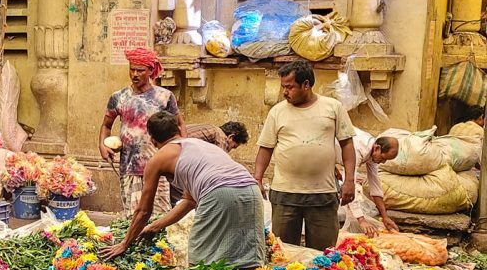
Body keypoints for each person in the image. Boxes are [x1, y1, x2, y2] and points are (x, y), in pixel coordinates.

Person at [102, 112, 266, 269]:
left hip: (218, 193)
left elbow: (143, 211)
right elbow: (189, 201)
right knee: (245, 259)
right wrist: (155, 226)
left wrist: (124, 244)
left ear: (152, 140)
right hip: (252, 191)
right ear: (179, 130)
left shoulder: (158, 159)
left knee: (200, 260)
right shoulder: (202, 145)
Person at [253, 60, 356, 251]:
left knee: (323, 255)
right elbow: (265, 148)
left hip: (322, 194)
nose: (285, 92)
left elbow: (347, 144)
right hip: (285, 193)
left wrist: (350, 180)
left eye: (290, 87)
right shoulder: (277, 112)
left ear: (306, 84)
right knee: (283, 252)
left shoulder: (333, 108)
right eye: (283, 87)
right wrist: (257, 178)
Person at [99, 47, 184, 217]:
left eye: (140, 70)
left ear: (151, 71)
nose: (135, 74)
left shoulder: (164, 96)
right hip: (129, 167)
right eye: (132, 69)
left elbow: (180, 125)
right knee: (133, 217)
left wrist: (182, 150)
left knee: (159, 216)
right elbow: (106, 125)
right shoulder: (119, 97)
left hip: (159, 167)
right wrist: (102, 145)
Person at [170, 121, 249, 205]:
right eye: (233, 147)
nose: (230, 150)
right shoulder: (220, 136)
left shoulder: (208, 128)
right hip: (175, 157)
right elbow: (220, 165)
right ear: (231, 137)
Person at [338, 131, 400, 236]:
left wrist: (385, 216)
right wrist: (361, 220)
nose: (383, 162)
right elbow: (349, 185)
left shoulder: (373, 152)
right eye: (383, 158)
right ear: (377, 148)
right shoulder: (358, 149)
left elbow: (375, 185)